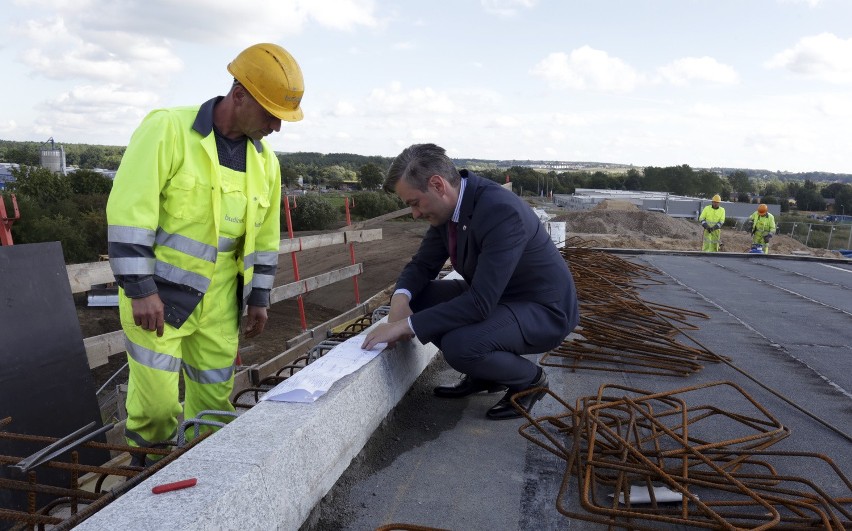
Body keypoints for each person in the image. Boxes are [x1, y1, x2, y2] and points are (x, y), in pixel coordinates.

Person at [106, 43, 304, 463]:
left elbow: (265, 240)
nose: (277, 127)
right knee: (156, 410)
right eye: (271, 114)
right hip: (159, 296)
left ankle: (205, 482)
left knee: (213, 410)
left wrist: (260, 298)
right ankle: (145, 480)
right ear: (239, 95)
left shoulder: (266, 162)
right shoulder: (168, 130)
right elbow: (129, 213)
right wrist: (140, 288)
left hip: (221, 305)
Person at [361, 143, 579, 420]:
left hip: (541, 309)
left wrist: (406, 325)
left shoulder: (500, 211)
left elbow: (479, 303)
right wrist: (400, 300)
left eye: (414, 203)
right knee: (418, 297)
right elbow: (422, 265)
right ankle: (486, 376)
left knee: (461, 346)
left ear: (438, 185)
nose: (415, 213)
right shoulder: (450, 209)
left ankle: (530, 380)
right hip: (500, 297)